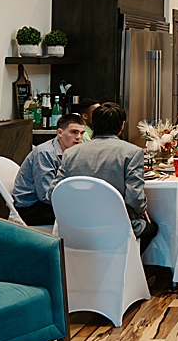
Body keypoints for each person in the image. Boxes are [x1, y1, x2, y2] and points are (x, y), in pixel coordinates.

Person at [47, 102, 158, 252]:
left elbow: (53, 193)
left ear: (92, 125)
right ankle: (133, 268)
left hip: (76, 226)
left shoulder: (71, 153)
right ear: (122, 126)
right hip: (116, 226)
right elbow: (134, 198)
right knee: (153, 227)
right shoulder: (132, 152)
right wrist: (142, 209)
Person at [12, 113, 86, 225]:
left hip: (47, 202)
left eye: (82, 133)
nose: (79, 137)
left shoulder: (71, 152)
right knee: (81, 215)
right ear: (60, 133)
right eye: (74, 132)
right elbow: (45, 195)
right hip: (31, 207)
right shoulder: (45, 153)